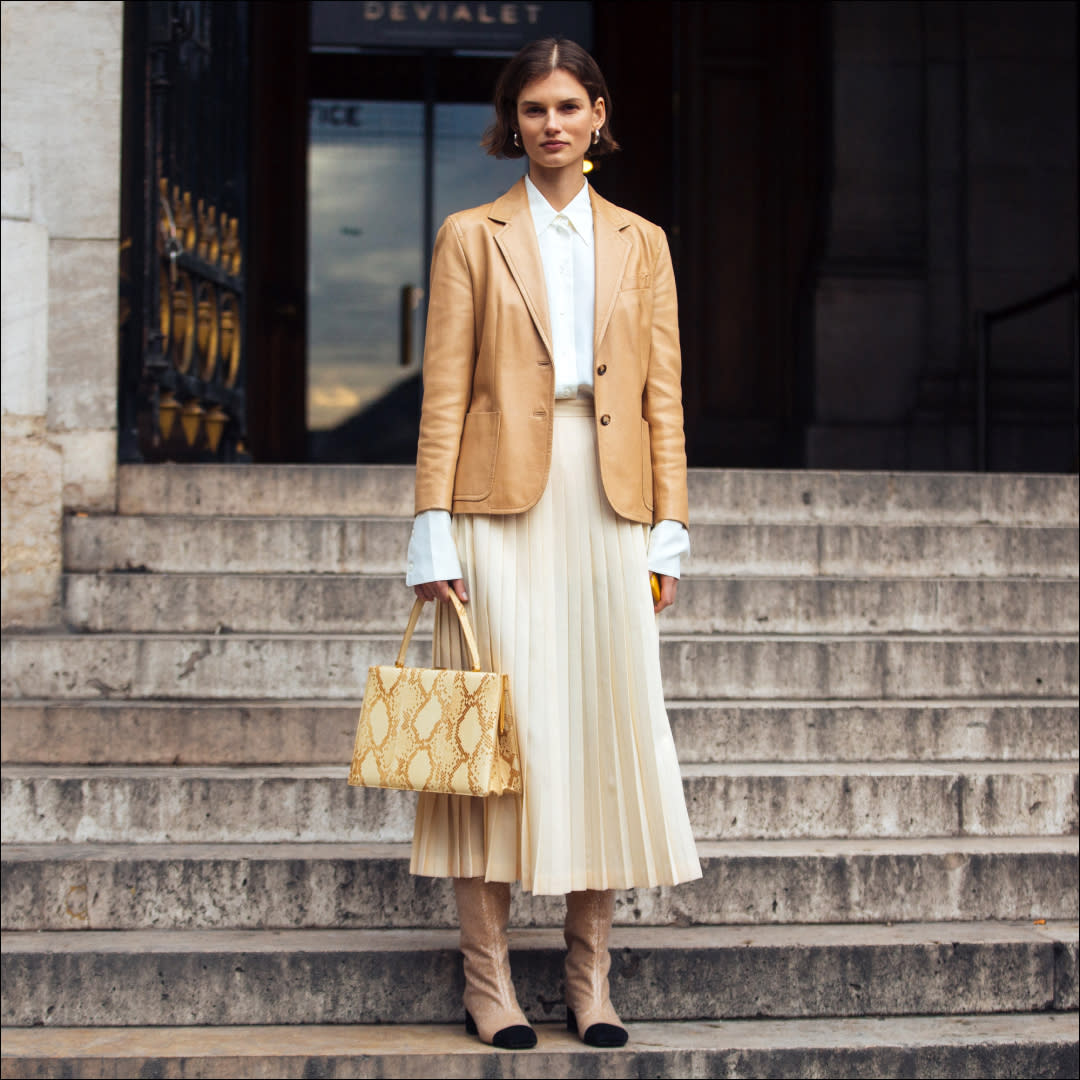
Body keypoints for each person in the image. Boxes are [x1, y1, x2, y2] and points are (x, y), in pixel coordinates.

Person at [405, 36, 701, 1050]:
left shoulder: (643, 241)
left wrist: (670, 529)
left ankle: (591, 982)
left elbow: (663, 393)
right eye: (534, 109)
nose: (553, 124)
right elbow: (444, 391)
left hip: (611, 501)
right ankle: (487, 983)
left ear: (600, 116)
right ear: (513, 123)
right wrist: (429, 530)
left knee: (605, 731)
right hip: (494, 504)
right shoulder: (469, 236)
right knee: (499, 737)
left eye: (570, 106)